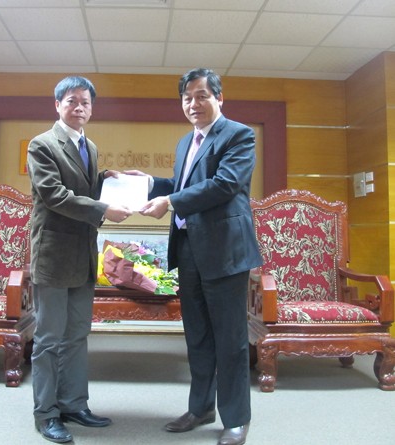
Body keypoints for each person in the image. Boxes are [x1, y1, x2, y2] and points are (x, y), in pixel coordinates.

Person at [129, 68, 262, 445]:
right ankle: (201, 407)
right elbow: (184, 185)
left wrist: (170, 201)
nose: (193, 104)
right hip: (188, 248)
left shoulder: (238, 134)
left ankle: (235, 418)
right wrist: (148, 183)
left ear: (219, 97)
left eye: (202, 95)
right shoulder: (185, 142)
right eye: (187, 98)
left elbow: (224, 184)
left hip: (224, 250)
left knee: (230, 338)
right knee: (198, 335)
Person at [27, 76, 132, 444]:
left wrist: (108, 180)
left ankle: (73, 404)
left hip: (82, 255)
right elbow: (54, 194)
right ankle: (46, 413)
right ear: (57, 105)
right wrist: (103, 207)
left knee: (76, 335)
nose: (79, 107)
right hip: (53, 256)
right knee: (49, 339)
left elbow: (82, 187)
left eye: (85, 102)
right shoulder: (42, 145)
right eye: (72, 100)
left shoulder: (90, 146)